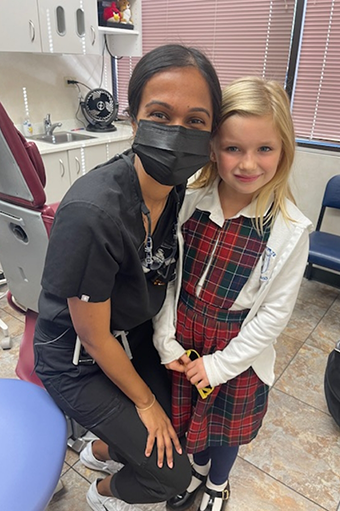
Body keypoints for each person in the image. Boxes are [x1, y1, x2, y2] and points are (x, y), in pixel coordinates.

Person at [33, 44, 222, 511]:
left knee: (175, 426)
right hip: (76, 359)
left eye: (196, 121)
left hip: (130, 340)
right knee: (172, 477)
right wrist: (144, 403)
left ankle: (101, 450)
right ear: (134, 120)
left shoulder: (178, 193)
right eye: (160, 114)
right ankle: (102, 494)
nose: (178, 134)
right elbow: (92, 338)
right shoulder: (92, 213)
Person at [153, 76, 313, 511]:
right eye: (233, 148)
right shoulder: (187, 201)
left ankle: (218, 482)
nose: (248, 164)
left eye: (265, 149)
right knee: (189, 419)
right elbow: (166, 278)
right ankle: (196, 470)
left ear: (284, 151)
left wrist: (222, 365)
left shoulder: (290, 229)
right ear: (212, 148)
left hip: (237, 352)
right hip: (184, 337)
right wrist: (165, 338)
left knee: (226, 428)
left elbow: (273, 317)